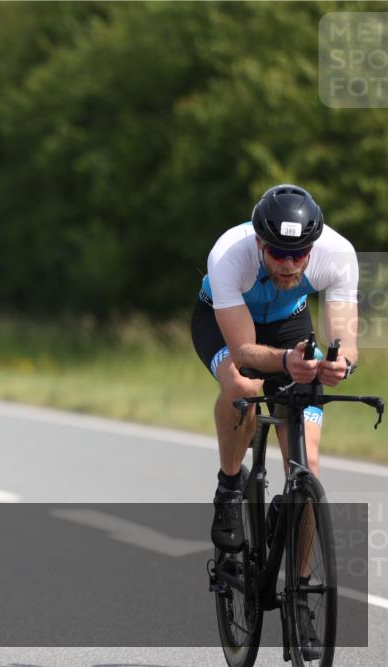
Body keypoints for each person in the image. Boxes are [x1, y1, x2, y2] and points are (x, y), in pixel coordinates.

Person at [191, 184, 358, 656]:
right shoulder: (229, 254)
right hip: (226, 323)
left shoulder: (338, 254)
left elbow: (344, 337)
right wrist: (285, 364)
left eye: (298, 254)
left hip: (289, 325)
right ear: (260, 244)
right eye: (279, 254)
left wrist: (338, 365)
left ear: (313, 247)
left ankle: (301, 590)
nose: (289, 264)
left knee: (308, 467)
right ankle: (229, 487)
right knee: (241, 386)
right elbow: (244, 351)